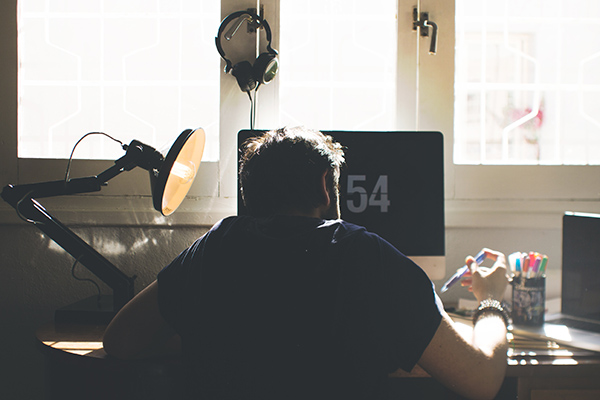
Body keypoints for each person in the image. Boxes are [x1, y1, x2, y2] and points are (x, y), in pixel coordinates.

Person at [103, 126, 509, 400]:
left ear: (250, 194)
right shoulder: (368, 255)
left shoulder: (216, 246)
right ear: (324, 188)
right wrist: (490, 301)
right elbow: (482, 381)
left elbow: (119, 342)